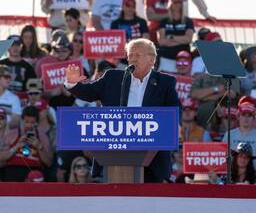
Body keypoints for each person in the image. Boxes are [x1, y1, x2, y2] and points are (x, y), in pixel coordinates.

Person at [64, 38, 181, 182]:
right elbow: (89, 92)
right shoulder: (113, 77)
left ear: (152, 60)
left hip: (152, 159)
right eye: (130, 55)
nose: (132, 59)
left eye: (137, 55)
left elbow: (174, 109)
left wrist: (176, 125)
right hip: (114, 154)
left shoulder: (165, 82)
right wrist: (72, 83)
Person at [0, 106, 53, 182]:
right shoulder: (12, 134)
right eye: (26, 122)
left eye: (32, 123)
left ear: (37, 122)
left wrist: (39, 147)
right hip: (14, 170)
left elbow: (49, 163)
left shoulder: (42, 136)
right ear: (22, 120)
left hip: (34, 170)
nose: (29, 125)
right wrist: (16, 147)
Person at [222, 97, 256, 175]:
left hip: (253, 177)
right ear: (238, 116)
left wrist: (253, 179)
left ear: (254, 118)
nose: (246, 118)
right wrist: (231, 177)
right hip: (232, 177)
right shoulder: (229, 134)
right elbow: (223, 159)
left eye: (249, 115)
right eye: (243, 114)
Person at [157, 0, 194, 73]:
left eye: (179, 2)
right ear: (170, 4)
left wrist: (171, 37)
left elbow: (188, 39)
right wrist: (181, 40)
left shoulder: (188, 21)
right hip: (166, 59)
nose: (177, 5)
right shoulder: (163, 21)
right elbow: (161, 42)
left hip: (183, 61)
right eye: (175, 2)